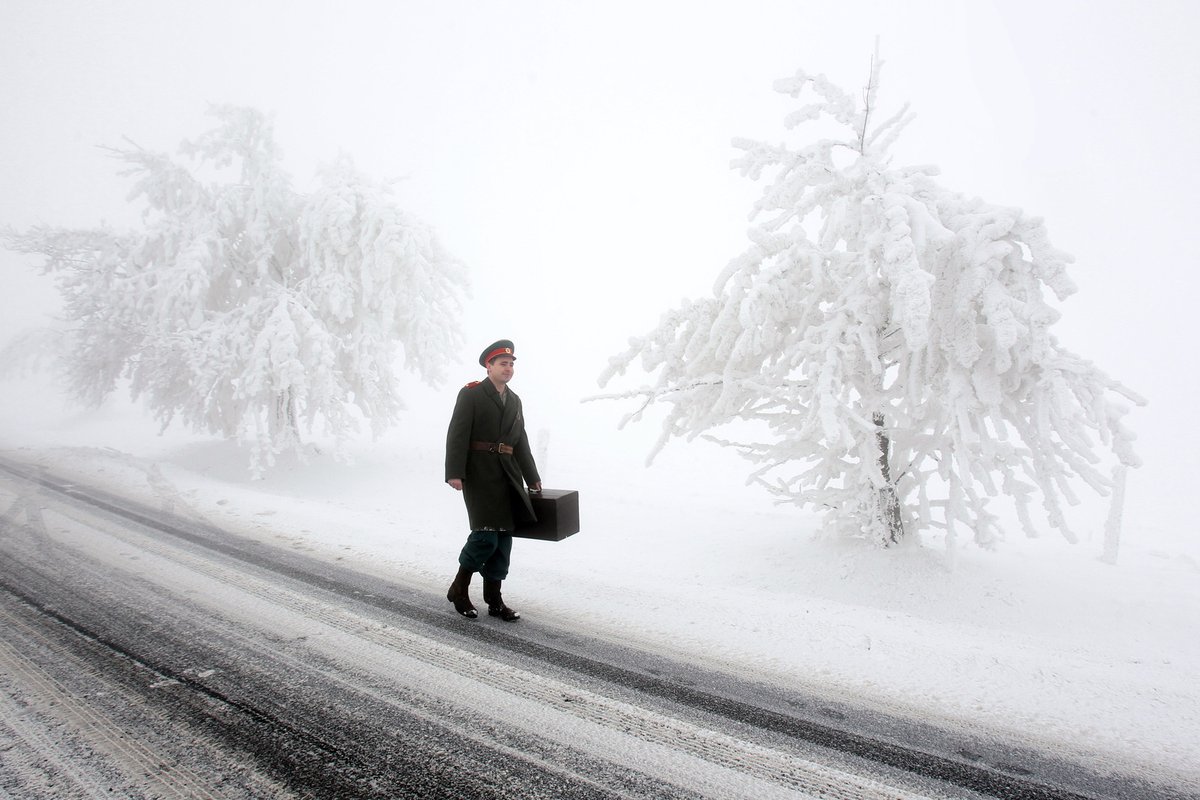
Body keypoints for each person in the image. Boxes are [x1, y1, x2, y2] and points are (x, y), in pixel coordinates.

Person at [444, 339, 542, 621]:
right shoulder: (471, 394)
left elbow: (520, 441)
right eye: (503, 364)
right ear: (489, 366)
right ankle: (459, 588)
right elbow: (457, 433)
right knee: (485, 536)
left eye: (511, 364)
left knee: (503, 539)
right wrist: (455, 472)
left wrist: (531, 476)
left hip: (508, 475)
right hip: (479, 474)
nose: (508, 368)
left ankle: (494, 600)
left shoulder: (514, 400)